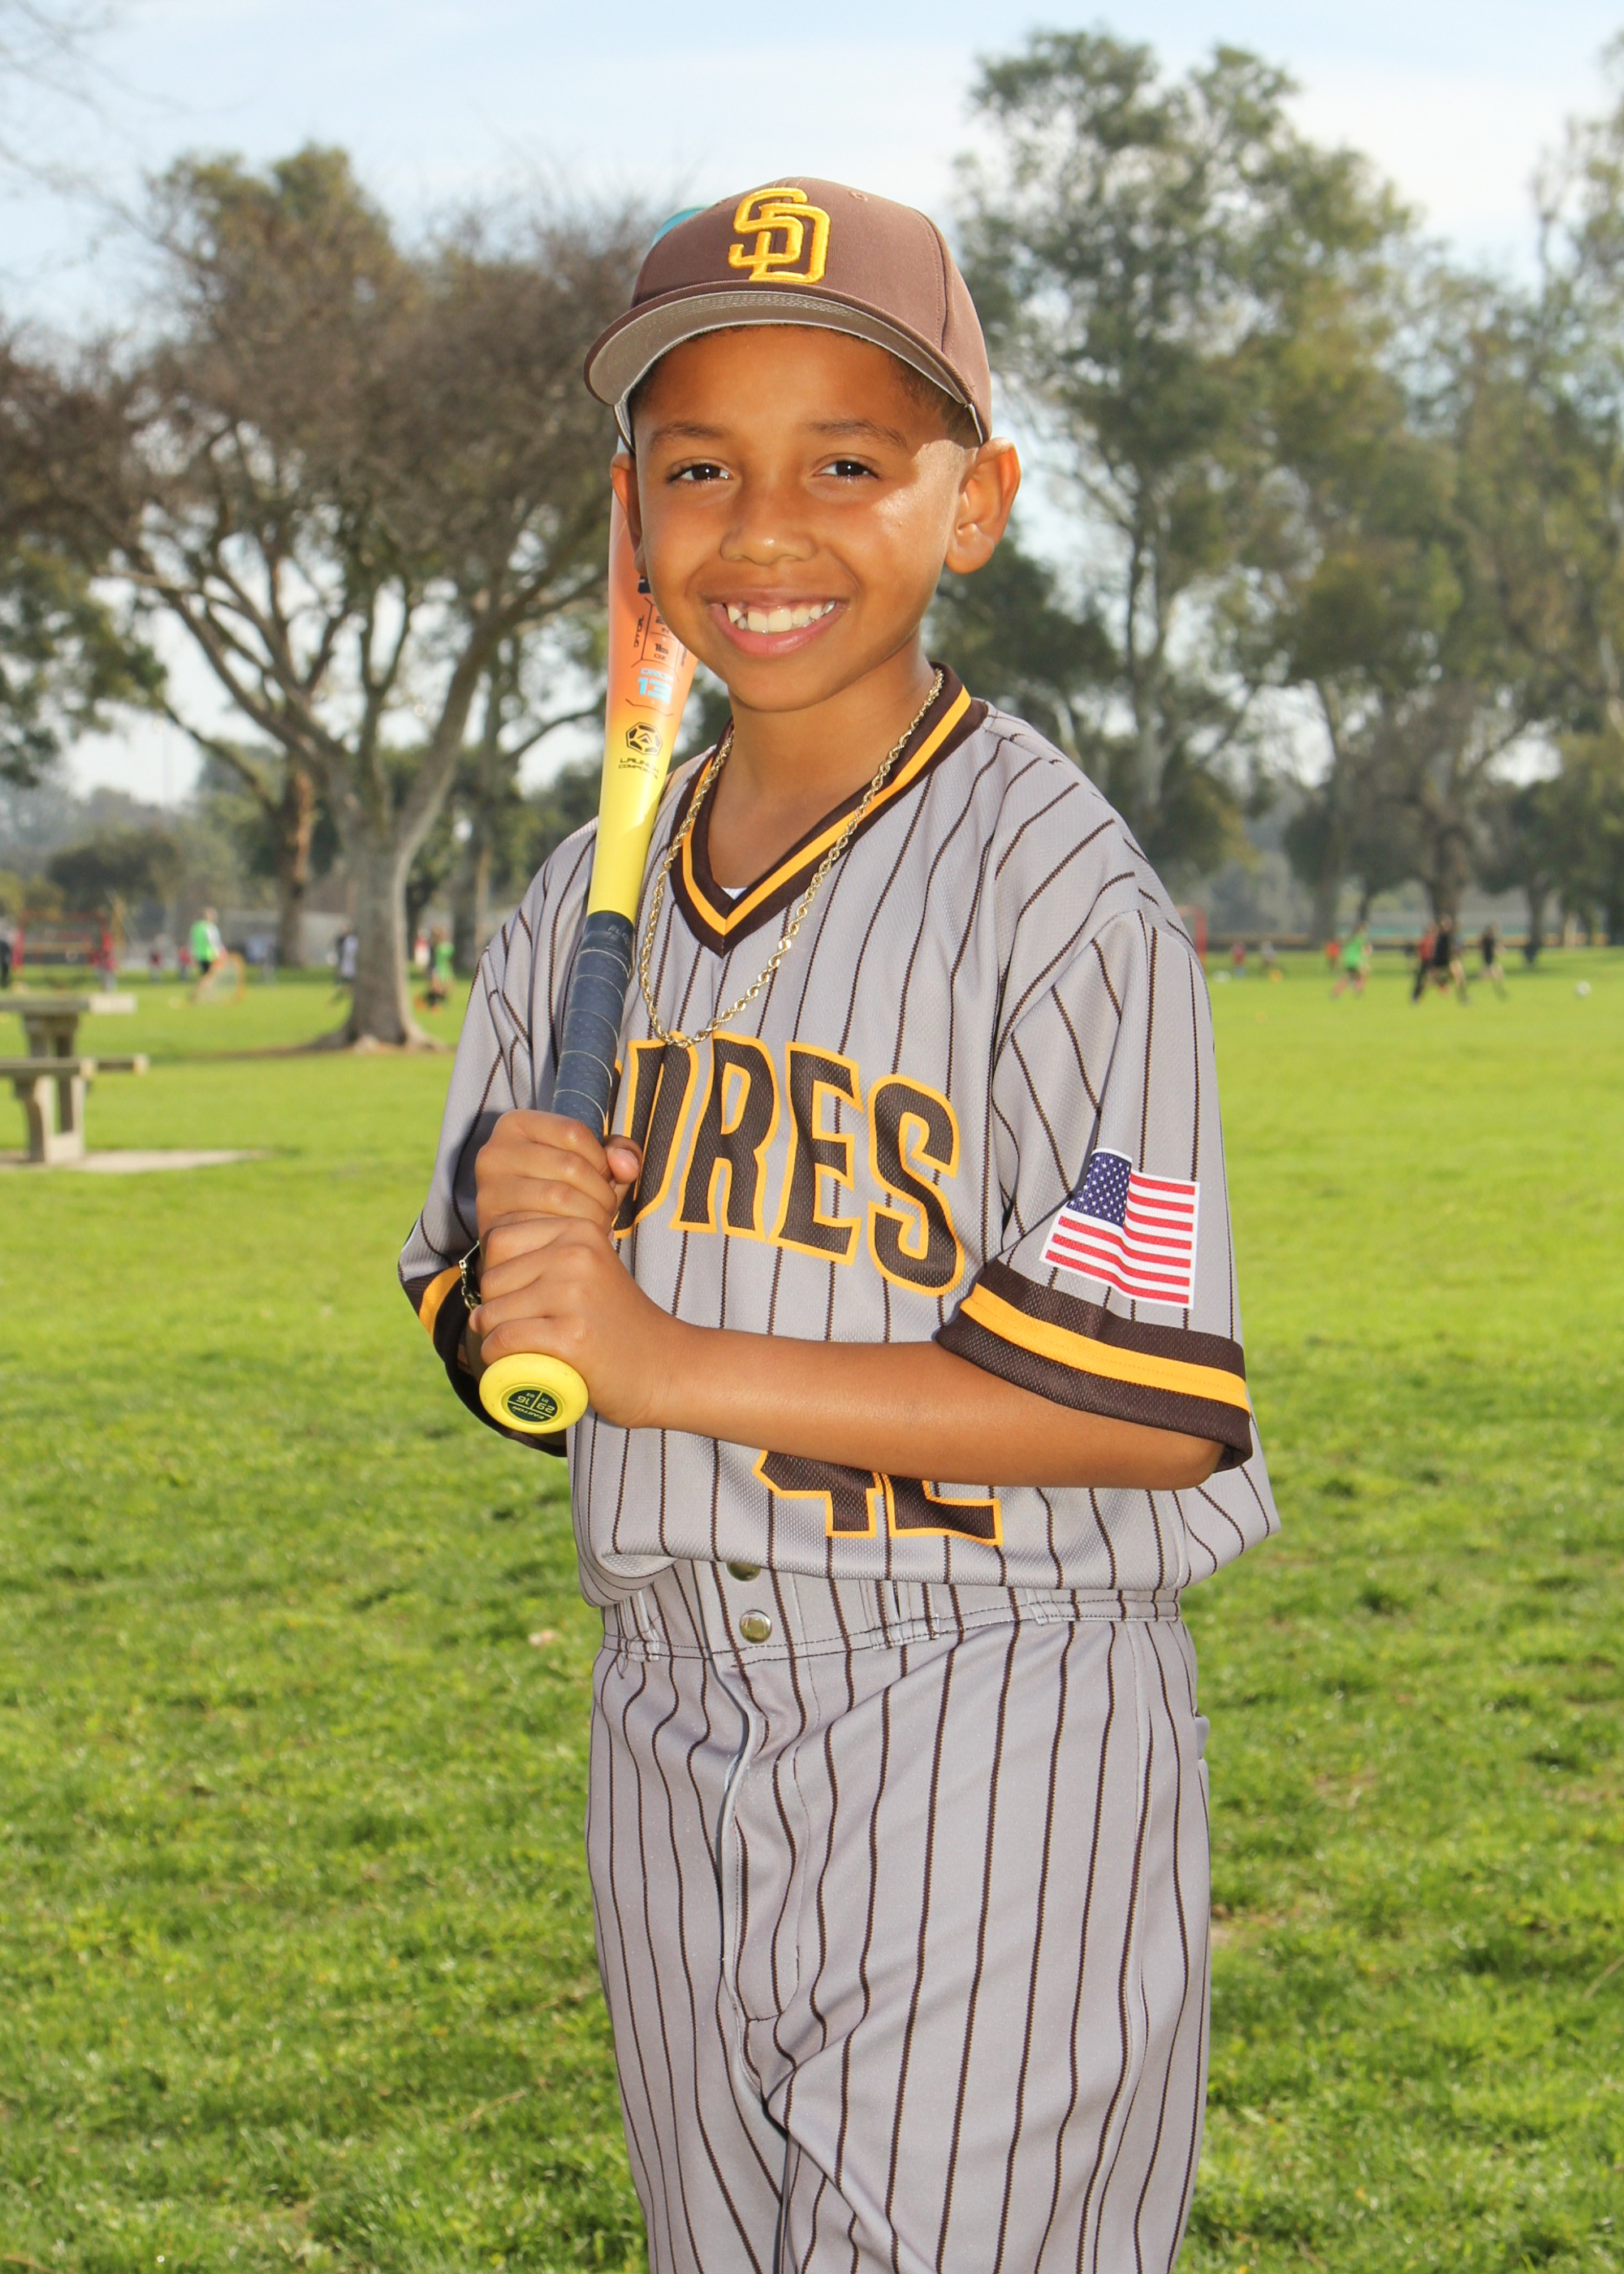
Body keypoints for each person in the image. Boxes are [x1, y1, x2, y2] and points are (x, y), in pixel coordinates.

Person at [401, 179, 1278, 2274]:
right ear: (631, 522)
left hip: (988, 1710)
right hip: (664, 1713)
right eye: (699, 468)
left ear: (973, 506)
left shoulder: (1055, 890)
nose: (765, 527)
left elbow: (1141, 1401)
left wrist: (657, 1358)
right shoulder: (579, 895)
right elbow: (498, 1332)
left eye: (849, 465)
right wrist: (519, 1271)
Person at [1332, 923, 1371, 997]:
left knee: (1349, 977)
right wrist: (1365, 957)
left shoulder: (1351, 938)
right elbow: (1366, 949)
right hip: (1355, 961)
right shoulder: (1361, 938)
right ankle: (1358, 989)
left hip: (1348, 961)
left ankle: (1336, 992)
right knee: (1365, 972)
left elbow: (1344, 949)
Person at [1479, 921, 1507, 997]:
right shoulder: (1488, 938)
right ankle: (1497, 989)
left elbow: (1496, 948)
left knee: (1498, 972)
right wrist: (1498, 950)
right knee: (1492, 974)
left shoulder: (1493, 938)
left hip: (1491, 960)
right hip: (1488, 959)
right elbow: (1490, 948)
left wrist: (1499, 950)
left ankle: (1499, 988)